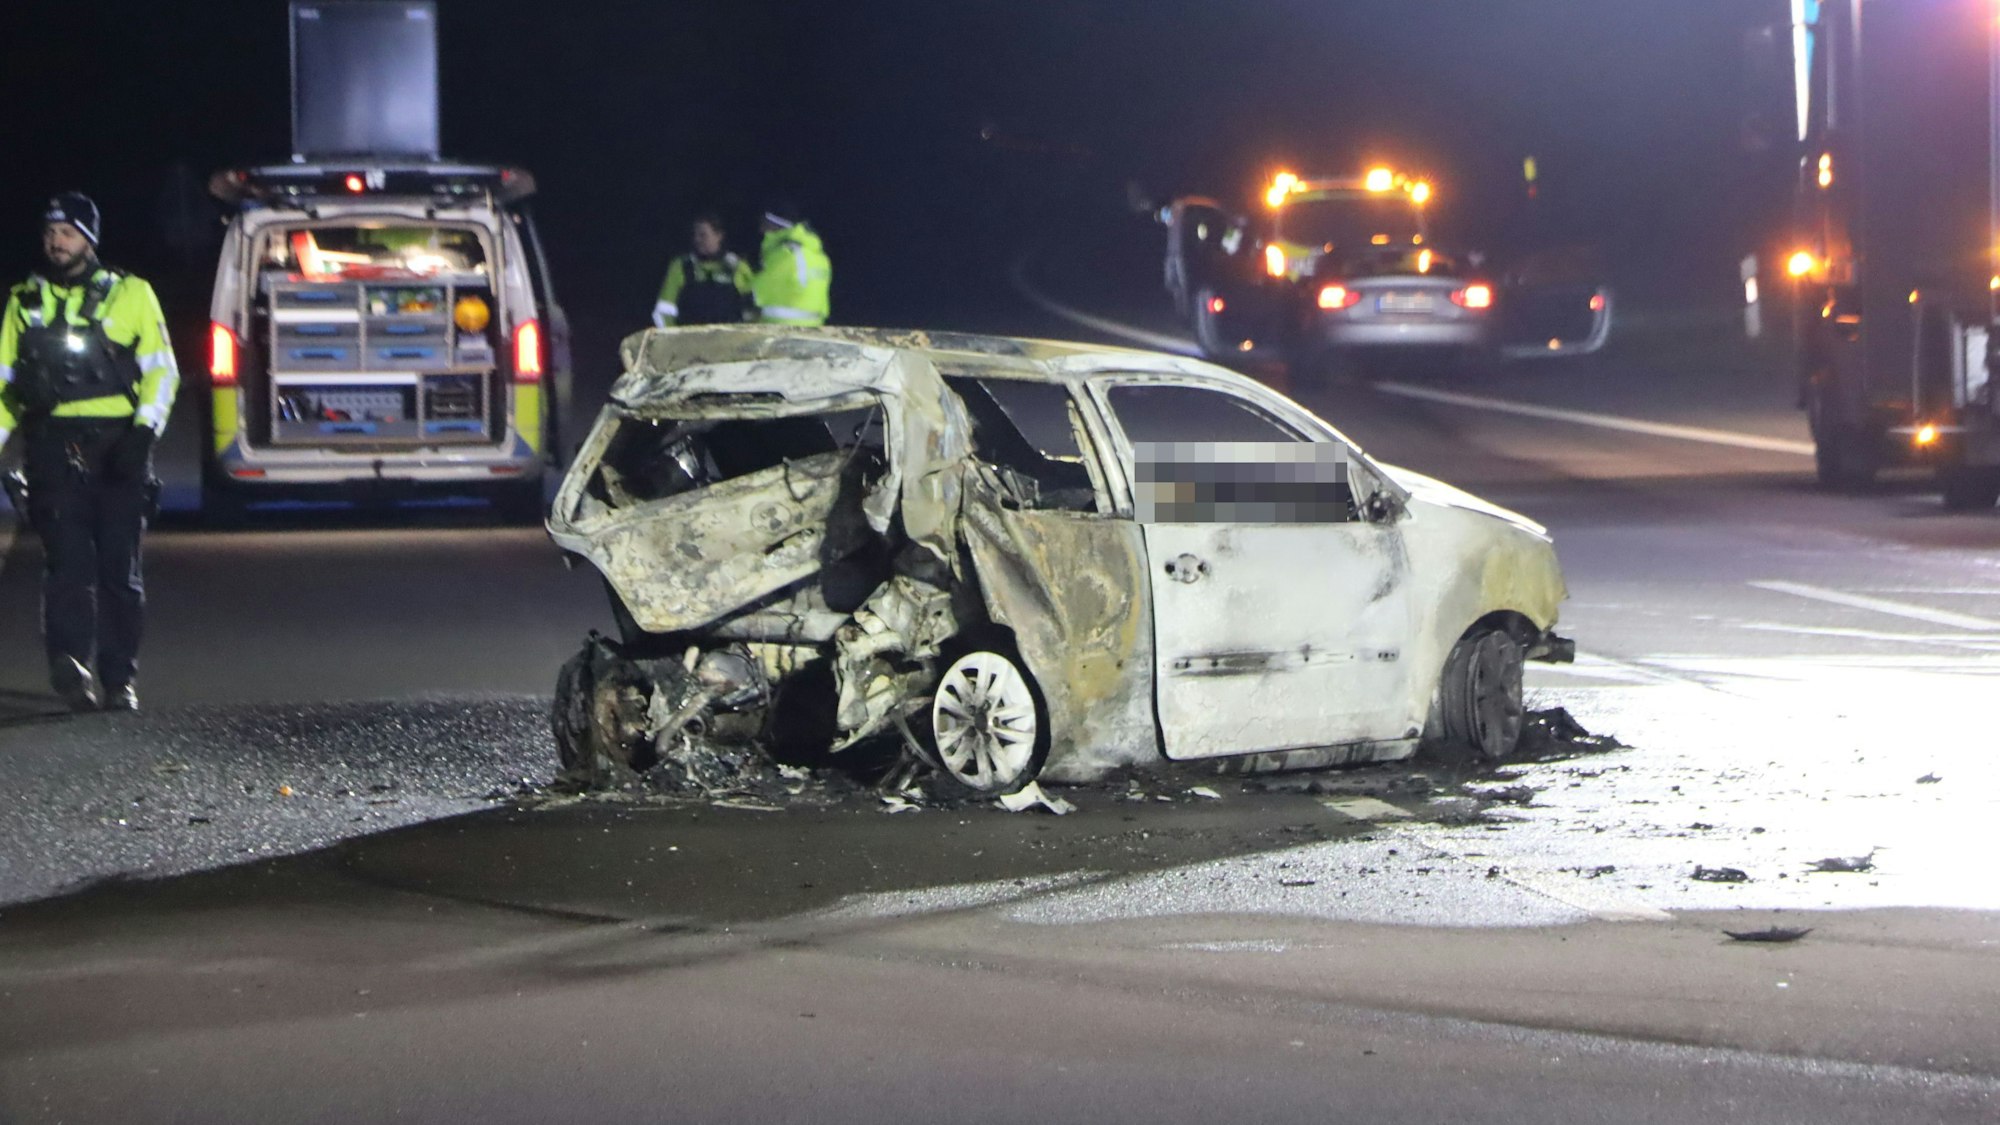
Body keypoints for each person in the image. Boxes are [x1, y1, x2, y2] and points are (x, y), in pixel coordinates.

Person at [0, 193, 179, 712]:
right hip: (52, 450)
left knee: (120, 573)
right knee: (66, 567)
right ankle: (71, 668)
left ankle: (119, 678)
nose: (56, 241)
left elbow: (162, 371)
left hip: (118, 447)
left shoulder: (132, 294)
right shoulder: (23, 302)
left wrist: (143, 434)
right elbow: (6, 388)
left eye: (68, 232)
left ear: (90, 239)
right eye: (51, 232)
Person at [652, 213, 753, 327]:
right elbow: (664, 310)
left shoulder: (737, 267)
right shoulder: (682, 266)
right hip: (689, 341)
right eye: (695, 234)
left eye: (703, 235)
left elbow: (751, 312)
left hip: (728, 342)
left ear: (719, 236)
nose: (697, 239)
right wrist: (672, 340)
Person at [750, 201, 831, 327]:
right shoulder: (817, 255)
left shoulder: (786, 255)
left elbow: (753, 294)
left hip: (783, 331)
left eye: (764, 223)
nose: (761, 230)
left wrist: (737, 269)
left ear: (776, 224)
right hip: (815, 331)